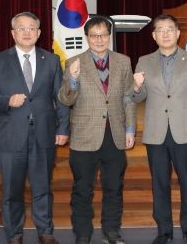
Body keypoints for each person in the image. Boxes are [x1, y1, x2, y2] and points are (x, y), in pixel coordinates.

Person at [58, 15, 137, 244]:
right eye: (94, 35)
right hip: (85, 136)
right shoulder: (73, 62)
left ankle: (111, 231)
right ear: (87, 37)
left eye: (103, 35)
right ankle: (83, 233)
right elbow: (65, 99)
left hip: (115, 134)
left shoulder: (123, 61)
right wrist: (73, 79)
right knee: (83, 189)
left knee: (114, 187)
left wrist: (130, 128)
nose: (99, 39)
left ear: (109, 36)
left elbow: (128, 97)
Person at [131, 14, 187, 244]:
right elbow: (138, 98)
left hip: (186, 131)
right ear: (154, 35)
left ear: (178, 33)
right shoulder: (144, 61)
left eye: (170, 29)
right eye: (160, 30)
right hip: (156, 132)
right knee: (160, 183)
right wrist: (136, 86)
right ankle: (163, 231)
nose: (165, 34)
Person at [0, 12, 70, 244]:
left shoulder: (51, 60)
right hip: (10, 135)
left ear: (39, 33)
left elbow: (61, 97)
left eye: (32, 28)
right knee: (12, 190)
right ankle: (14, 234)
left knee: (42, 187)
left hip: (44, 134)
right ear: (13, 33)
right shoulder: (0, 60)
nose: (27, 32)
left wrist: (63, 128)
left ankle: (45, 231)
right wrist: (6, 101)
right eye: (21, 28)